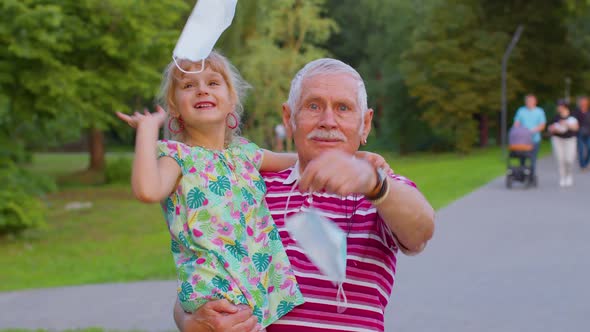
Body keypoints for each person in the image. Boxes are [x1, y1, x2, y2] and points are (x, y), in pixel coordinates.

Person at [174, 58, 435, 331]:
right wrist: (189, 321)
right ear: (289, 118)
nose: (328, 121)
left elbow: (421, 230)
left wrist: (374, 183)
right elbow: (196, 272)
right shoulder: (248, 186)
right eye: (313, 106)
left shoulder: (381, 189)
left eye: (343, 108)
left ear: (365, 124)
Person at [116, 51, 305, 329]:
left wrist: (357, 158)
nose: (201, 89)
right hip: (217, 299)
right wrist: (146, 131)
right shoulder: (177, 158)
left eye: (213, 83)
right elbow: (147, 190)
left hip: (252, 294)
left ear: (232, 100)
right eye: (188, 85)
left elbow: (304, 162)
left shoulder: (245, 154)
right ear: (175, 106)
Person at [513, 94, 547, 175]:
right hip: (522, 140)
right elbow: (516, 123)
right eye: (528, 101)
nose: (529, 103)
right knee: (522, 158)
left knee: (533, 159)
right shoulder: (521, 111)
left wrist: (532, 131)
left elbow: (542, 125)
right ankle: (522, 174)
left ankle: (531, 176)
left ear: (535, 102)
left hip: (534, 139)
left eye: (531, 101)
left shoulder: (539, 111)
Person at [548, 100, 579, 187]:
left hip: (570, 139)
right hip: (558, 139)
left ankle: (569, 175)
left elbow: (576, 128)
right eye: (558, 106)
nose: (558, 108)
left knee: (569, 159)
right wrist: (553, 128)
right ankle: (562, 177)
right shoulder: (556, 117)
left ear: (565, 106)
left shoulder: (572, 116)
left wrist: (566, 124)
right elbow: (550, 128)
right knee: (560, 159)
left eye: (560, 106)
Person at [573, 96, 590, 170]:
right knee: (581, 149)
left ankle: (586, 163)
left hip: (589, 133)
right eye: (582, 101)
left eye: (585, 101)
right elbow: (573, 121)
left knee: (589, 148)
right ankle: (582, 165)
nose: (583, 103)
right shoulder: (576, 112)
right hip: (579, 133)